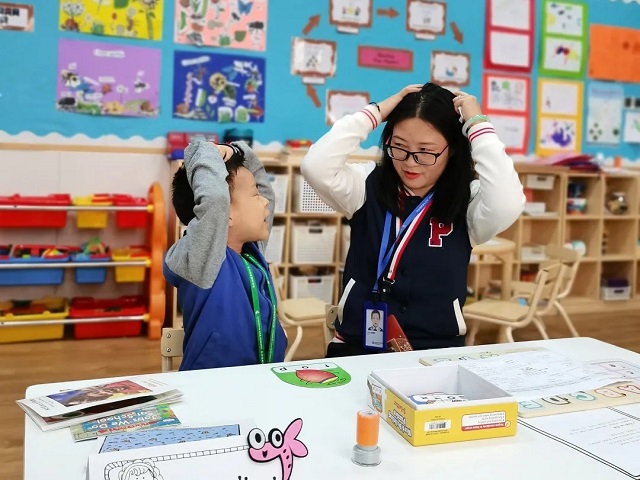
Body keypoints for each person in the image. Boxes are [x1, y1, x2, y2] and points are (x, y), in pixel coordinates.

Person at [301, 82, 524, 357]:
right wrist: (378, 110)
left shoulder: (468, 201)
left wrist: (478, 124)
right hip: (359, 345)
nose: (410, 163)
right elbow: (315, 165)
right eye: (399, 147)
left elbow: (508, 201)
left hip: (438, 351)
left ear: (452, 149)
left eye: (426, 152)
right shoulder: (364, 185)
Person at [164, 141, 287, 370]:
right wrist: (207, 151)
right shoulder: (204, 259)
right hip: (211, 391)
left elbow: (266, 188)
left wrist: (237, 151)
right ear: (225, 214)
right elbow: (215, 200)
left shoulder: (252, 252)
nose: (266, 200)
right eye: (255, 195)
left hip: (261, 384)